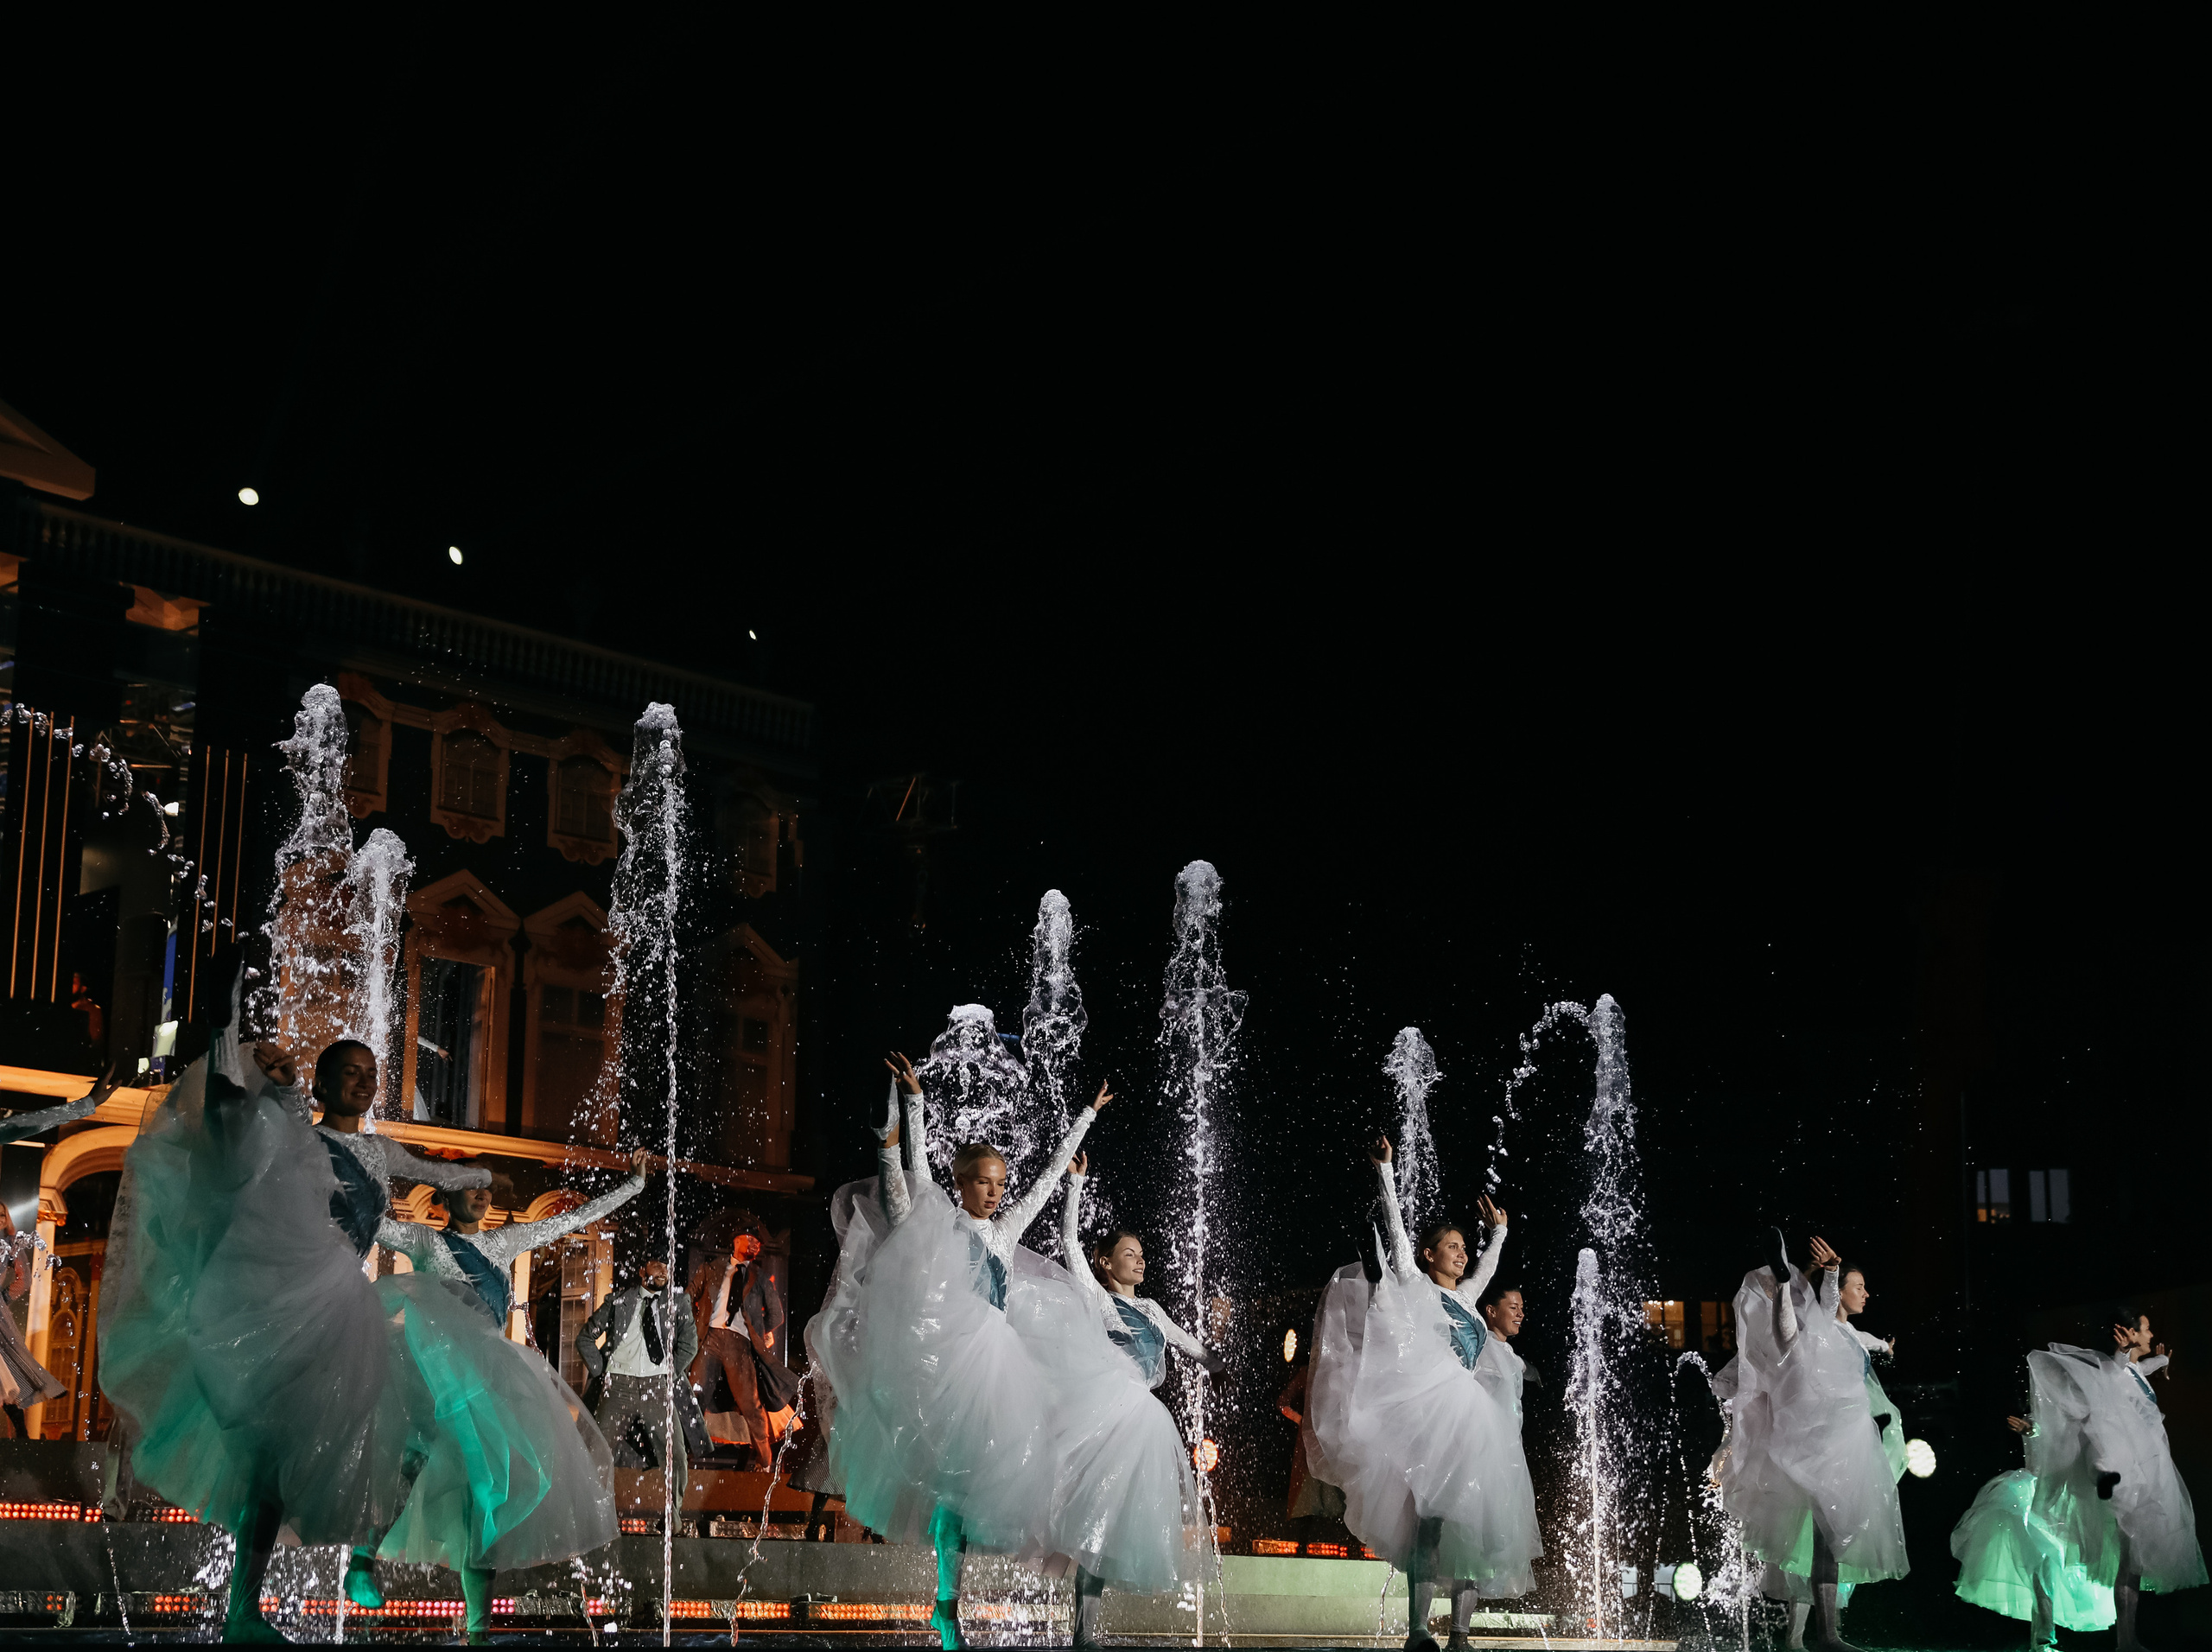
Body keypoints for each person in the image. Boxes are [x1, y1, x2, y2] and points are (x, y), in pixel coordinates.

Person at [97, 967, 422, 1641]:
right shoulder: (292, 1128)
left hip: (345, 1304)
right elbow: (228, 1127)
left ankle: (363, 1558)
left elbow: (420, 1192)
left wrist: (478, 1182)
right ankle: (244, 1607)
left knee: (410, 1430)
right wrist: (234, 1044)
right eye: (350, 1071)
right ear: (322, 1082)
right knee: (272, 1460)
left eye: (371, 1072)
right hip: (287, 1295)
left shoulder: (375, 1152)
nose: (364, 1081)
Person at [812, 1051, 1106, 1651]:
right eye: (983, 1182)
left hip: (1001, 1369)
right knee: (950, 1493)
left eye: (1000, 1183)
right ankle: (947, 1607)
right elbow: (910, 1186)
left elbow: (1047, 1180)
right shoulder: (941, 1224)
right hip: (950, 1366)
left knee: (994, 1486)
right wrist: (910, 1110)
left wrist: (1084, 1122)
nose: (996, 1193)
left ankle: (1052, 1604)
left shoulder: (1005, 1230)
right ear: (962, 1183)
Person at [1311, 1136, 1540, 1652]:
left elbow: (1486, 1271)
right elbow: (1395, 1233)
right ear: (1429, 1254)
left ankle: (1459, 1632)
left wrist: (1498, 1234)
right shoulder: (1418, 1284)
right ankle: (1418, 1630)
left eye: (1464, 1248)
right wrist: (1387, 1176)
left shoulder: (1468, 1296)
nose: (1462, 1255)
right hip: (1434, 1413)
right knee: (1431, 1524)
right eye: (1452, 1247)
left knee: (1473, 1525)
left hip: (1473, 1420)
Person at [1708, 1230, 1908, 1652]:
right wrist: (1831, 1274)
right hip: (1824, 1434)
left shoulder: (1849, 1336)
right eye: (1861, 1287)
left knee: (1821, 1539)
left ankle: (1806, 1637)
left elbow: (1869, 1342)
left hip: (1824, 1430)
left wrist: (1887, 1349)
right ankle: (1820, 1635)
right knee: (1791, 1344)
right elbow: (1828, 1309)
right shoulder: (1827, 1324)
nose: (1867, 1294)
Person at [1059, 1152, 1216, 1644]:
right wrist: (1075, 1187)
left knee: (1118, 1526)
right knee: (1095, 1523)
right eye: (1130, 1253)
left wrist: (1217, 1350)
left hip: (1145, 1421)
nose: (1141, 1259)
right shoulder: (1100, 1300)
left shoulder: (1150, 1306)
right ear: (1106, 1263)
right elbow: (1069, 1243)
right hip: (1107, 1414)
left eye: (1142, 1253)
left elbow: (1191, 1347)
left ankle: (1090, 1624)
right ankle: (1083, 1630)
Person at [2024, 1309, 2206, 1651]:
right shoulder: (2112, 1368)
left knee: (2133, 1558)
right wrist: (2121, 1352)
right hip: (2123, 1457)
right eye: (2147, 1329)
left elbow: (2143, 1366)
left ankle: (2127, 1641)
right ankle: (2105, 1478)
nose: (2150, 1335)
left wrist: (2164, 1359)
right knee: (2109, 1466)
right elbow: (2116, 1367)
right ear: (2129, 1333)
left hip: (2143, 1465)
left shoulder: (2137, 1370)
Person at [1952, 1410, 2114, 1647]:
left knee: (2061, 1566)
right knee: (2042, 1563)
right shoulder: (2046, 1408)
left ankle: (2044, 1639)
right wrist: (2030, 1429)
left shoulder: (2086, 1413)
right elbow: (2037, 1426)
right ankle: (2043, 1638)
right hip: (2034, 1496)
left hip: (2067, 1498)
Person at [580, 1256, 700, 1512]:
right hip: (618, 1387)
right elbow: (585, 1338)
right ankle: (594, 1514)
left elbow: (690, 1345)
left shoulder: (677, 1304)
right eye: (656, 1266)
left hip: (657, 1389)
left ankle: (672, 1516)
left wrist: (669, 1374)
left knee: (676, 1455)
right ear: (642, 1270)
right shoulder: (619, 1301)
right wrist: (601, 1370)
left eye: (666, 1268)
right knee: (596, 1451)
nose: (662, 1271)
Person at [697, 1218, 800, 1467]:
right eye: (751, 1240)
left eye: (759, 1243)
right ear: (736, 1241)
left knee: (752, 1407)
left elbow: (776, 1314)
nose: (756, 1246)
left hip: (739, 1343)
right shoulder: (711, 1269)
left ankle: (764, 1463)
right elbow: (690, 1297)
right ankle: (687, 1454)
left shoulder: (759, 1276)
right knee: (695, 1396)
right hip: (709, 1339)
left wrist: (755, 1330)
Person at [3, 1203, 67, 1438]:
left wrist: (5, 1296)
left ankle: (21, 1427)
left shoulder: (9, 1246)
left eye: (3, 1215)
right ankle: (20, 1428)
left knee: (7, 1366)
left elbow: (26, 1279)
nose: (0, 1218)